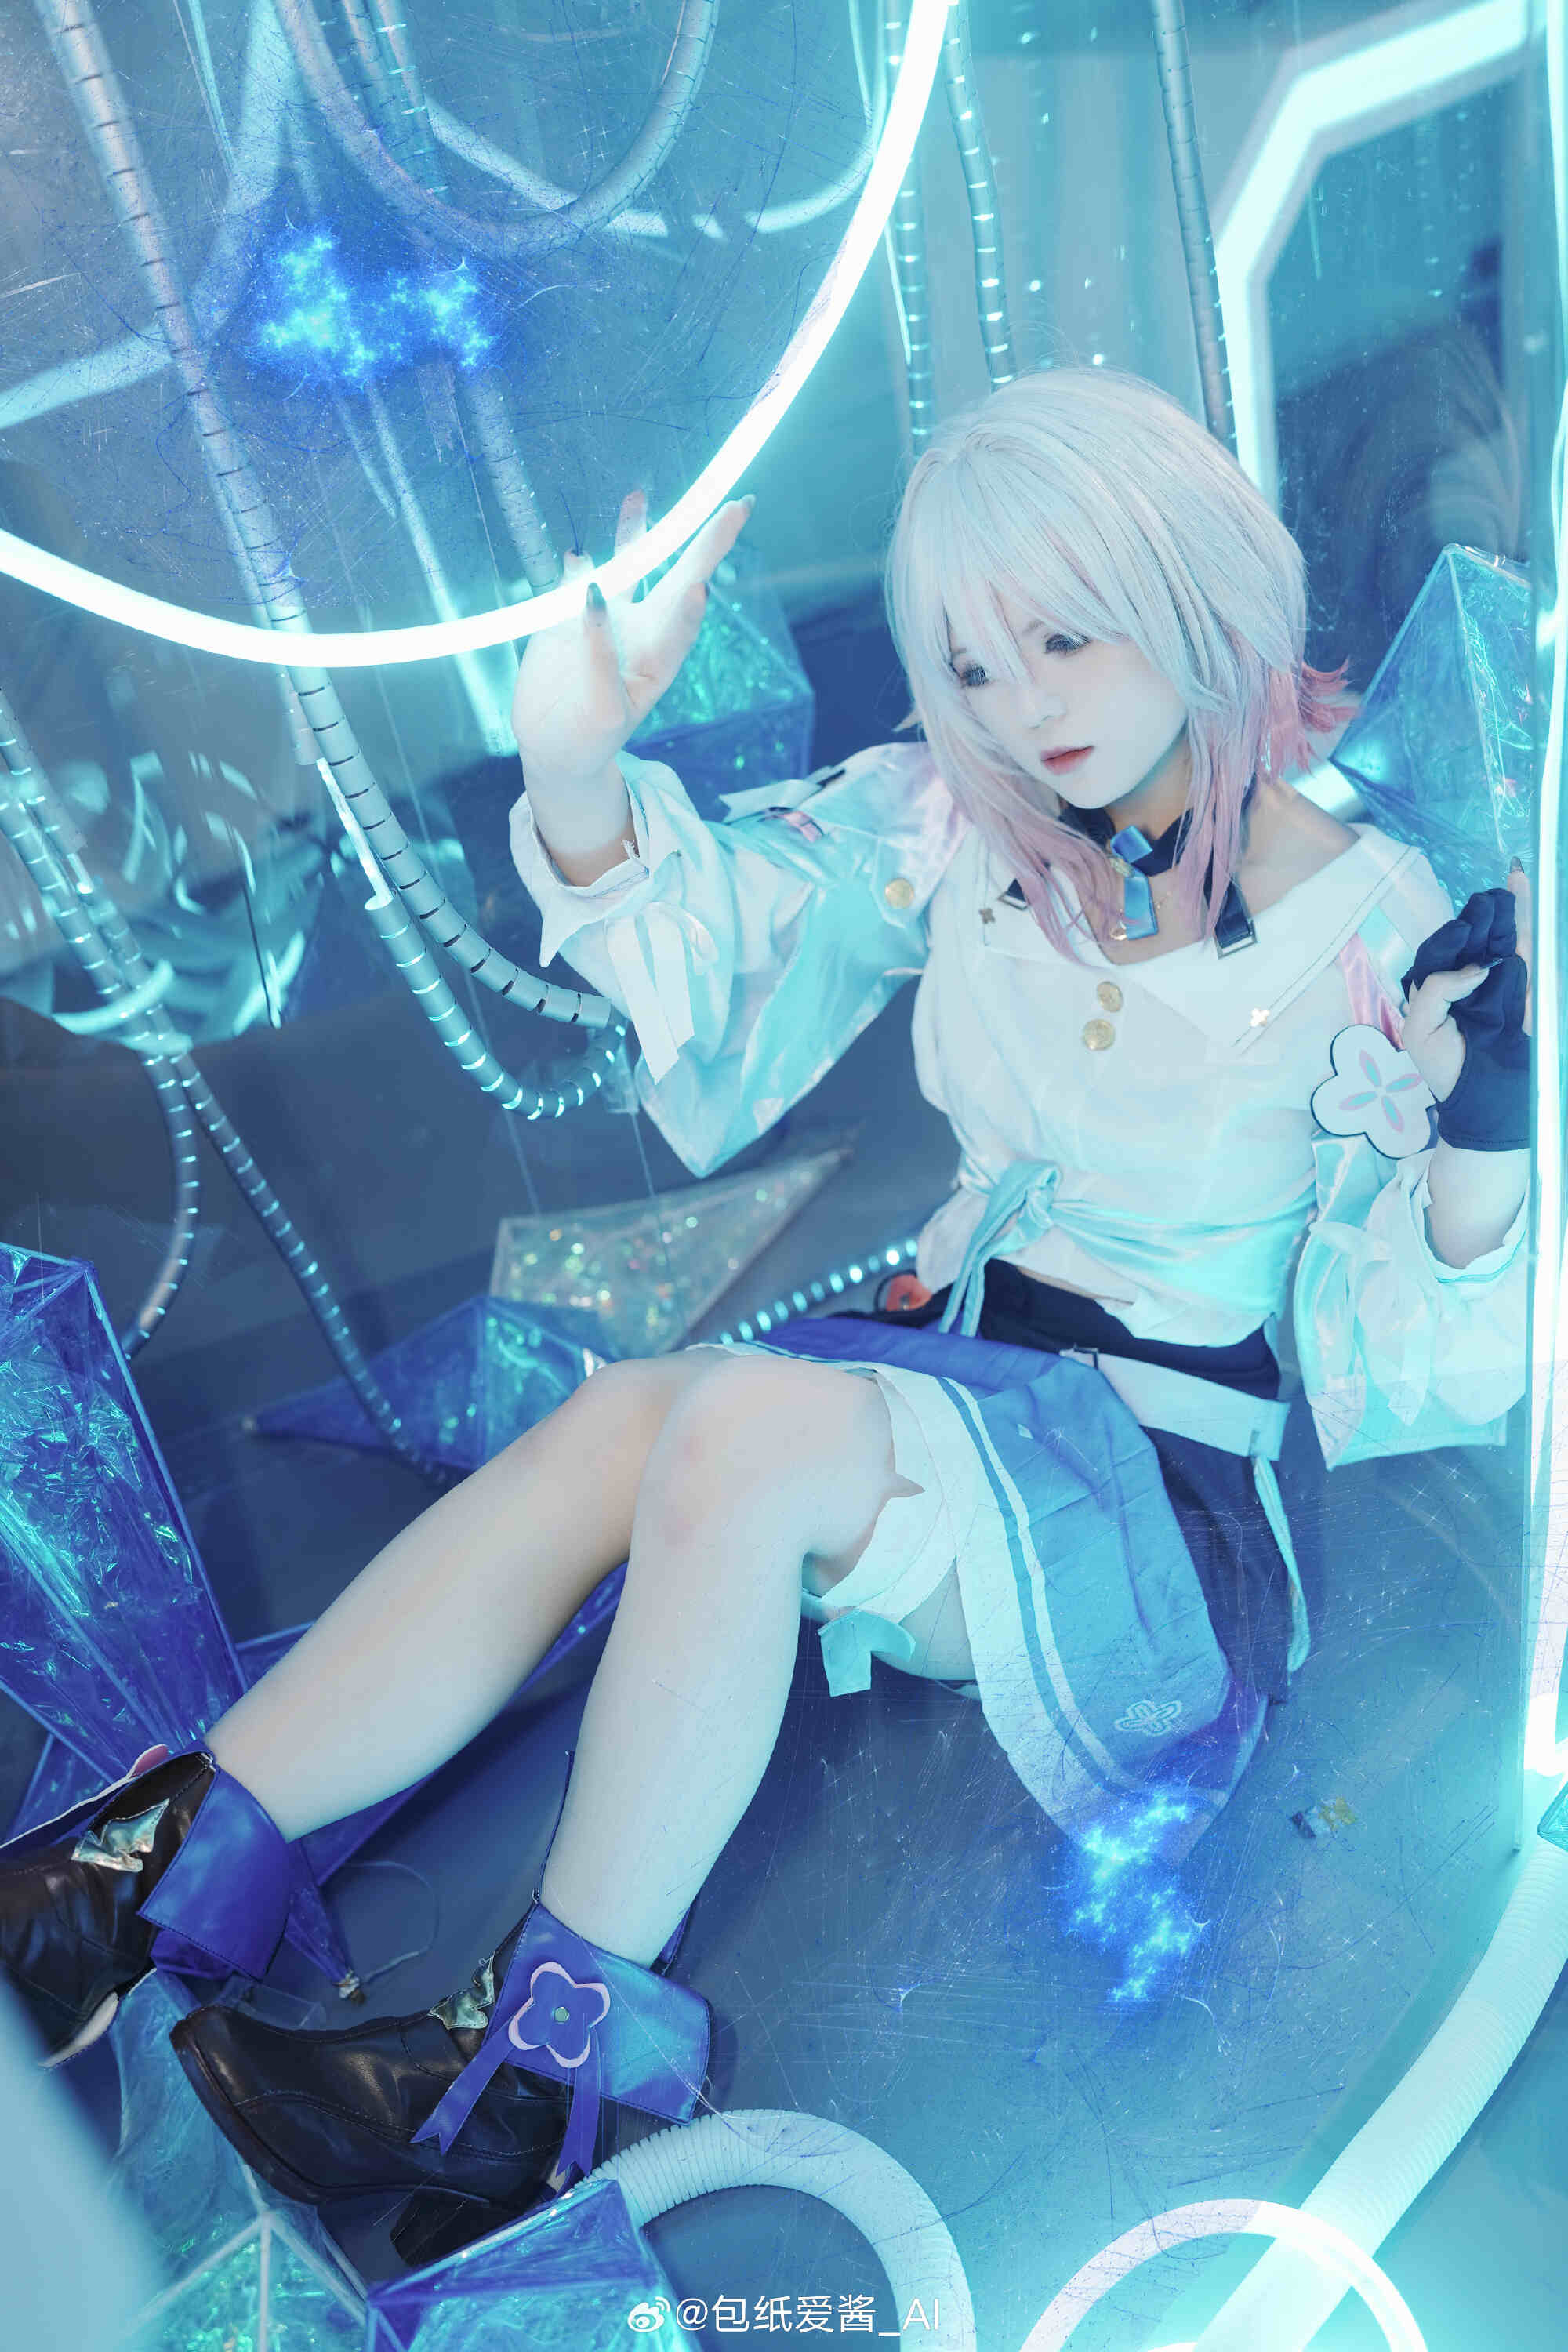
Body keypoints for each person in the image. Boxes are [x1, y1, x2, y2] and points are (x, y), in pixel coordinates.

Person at [0, 368, 1531, 2266]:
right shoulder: (968, 825)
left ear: (1187, 583)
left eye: (1064, 638)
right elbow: (724, 932)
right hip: (947, 1383)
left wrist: (1482, 1120)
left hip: (1152, 1507)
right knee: (628, 1418)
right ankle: (132, 1878)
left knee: (731, 1426)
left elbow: (1430, 1350)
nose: (1021, 708)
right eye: (970, 666)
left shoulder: (1377, 921)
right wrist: (572, 761)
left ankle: (532, 2075)